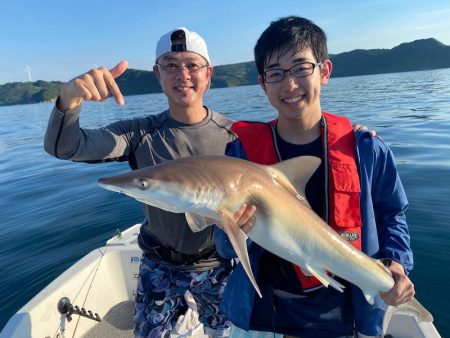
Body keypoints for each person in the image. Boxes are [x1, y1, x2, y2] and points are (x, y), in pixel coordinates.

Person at [214, 16, 414, 338]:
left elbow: (392, 213)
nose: (289, 85)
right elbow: (225, 248)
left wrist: (397, 264)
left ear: (324, 71)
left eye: (301, 68)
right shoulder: (241, 156)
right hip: (261, 317)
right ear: (263, 84)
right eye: (276, 73)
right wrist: (231, 227)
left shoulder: (367, 150)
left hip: (346, 316)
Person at [44, 27, 237, 338]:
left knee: (223, 331)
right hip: (159, 265)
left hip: (218, 266)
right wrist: (69, 98)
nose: (182, 74)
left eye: (192, 64)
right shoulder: (139, 133)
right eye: (171, 65)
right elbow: (65, 147)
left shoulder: (236, 136)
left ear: (209, 73)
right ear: (157, 73)